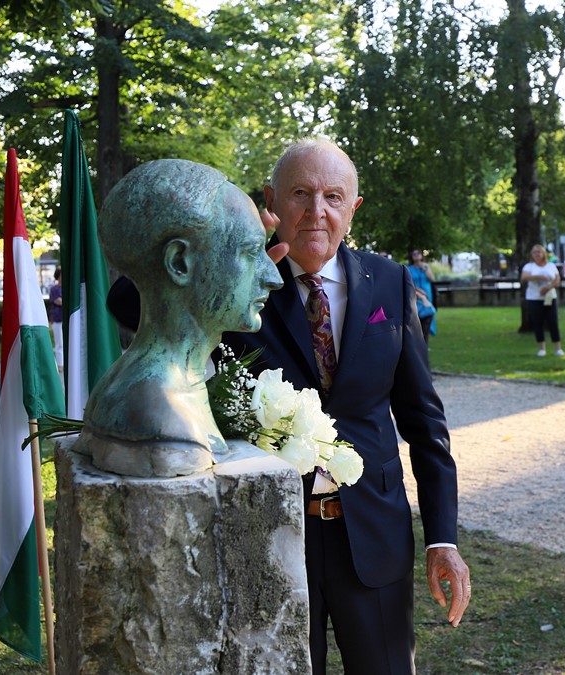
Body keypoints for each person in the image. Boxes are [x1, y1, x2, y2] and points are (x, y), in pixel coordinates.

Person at [220, 138, 470, 674]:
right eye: (300, 194)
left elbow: (424, 422)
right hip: (271, 538)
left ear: (352, 209)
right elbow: (127, 302)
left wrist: (442, 538)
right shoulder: (239, 281)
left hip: (375, 537)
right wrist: (233, 255)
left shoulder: (391, 283)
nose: (317, 211)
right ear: (271, 201)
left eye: (333, 196)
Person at [83, 159, 283, 478]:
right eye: (249, 253)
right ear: (179, 263)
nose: (274, 277)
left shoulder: (155, 386)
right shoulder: (159, 411)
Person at [520, 244, 564, 357]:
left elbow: (557, 279)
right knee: (537, 322)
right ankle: (542, 348)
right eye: (534, 252)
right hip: (534, 298)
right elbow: (524, 277)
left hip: (549, 297)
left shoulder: (550, 266)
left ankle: (558, 348)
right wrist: (539, 276)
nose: (537, 254)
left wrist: (548, 288)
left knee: (553, 322)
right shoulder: (529, 266)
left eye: (539, 252)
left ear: (543, 254)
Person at [408, 248, 437, 344]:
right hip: (416, 294)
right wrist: (419, 290)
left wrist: (425, 268)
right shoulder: (409, 269)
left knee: (428, 312)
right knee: (417, 314)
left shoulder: (426, 267)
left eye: (418, 254)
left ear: (421, 256)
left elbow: (432, 279)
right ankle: (419, 340)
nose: (416, 255)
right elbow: (409, 283)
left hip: (427, 293)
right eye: (414, 254)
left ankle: (425, 339)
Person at [48, 268, 63, 374]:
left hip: (65, 319)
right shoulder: (54, 289)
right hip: (57, 319)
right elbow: (58, 301)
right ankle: (60, 364)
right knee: (59, 342)